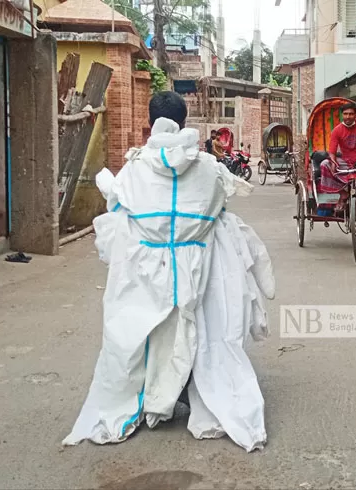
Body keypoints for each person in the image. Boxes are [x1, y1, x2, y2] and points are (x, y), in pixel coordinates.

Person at [62, 91, 275, 452]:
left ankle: (145, 400)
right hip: (199, 265)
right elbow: (222, 207)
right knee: (205, 335)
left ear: (149, 120)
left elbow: (118, 210)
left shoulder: (135, 166)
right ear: (185, 119)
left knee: (141, 334)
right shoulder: (208, 166)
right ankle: (199, 395)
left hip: (147, 268)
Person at [319, 102, 356, 240]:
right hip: (346, 162)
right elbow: (332, 150)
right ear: (342, 115)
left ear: (355, 114)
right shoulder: (338, 130)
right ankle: (343, 193)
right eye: (345, 114)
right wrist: (333, 161)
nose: (348, 116)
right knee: (324, 164)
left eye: (351, 114)